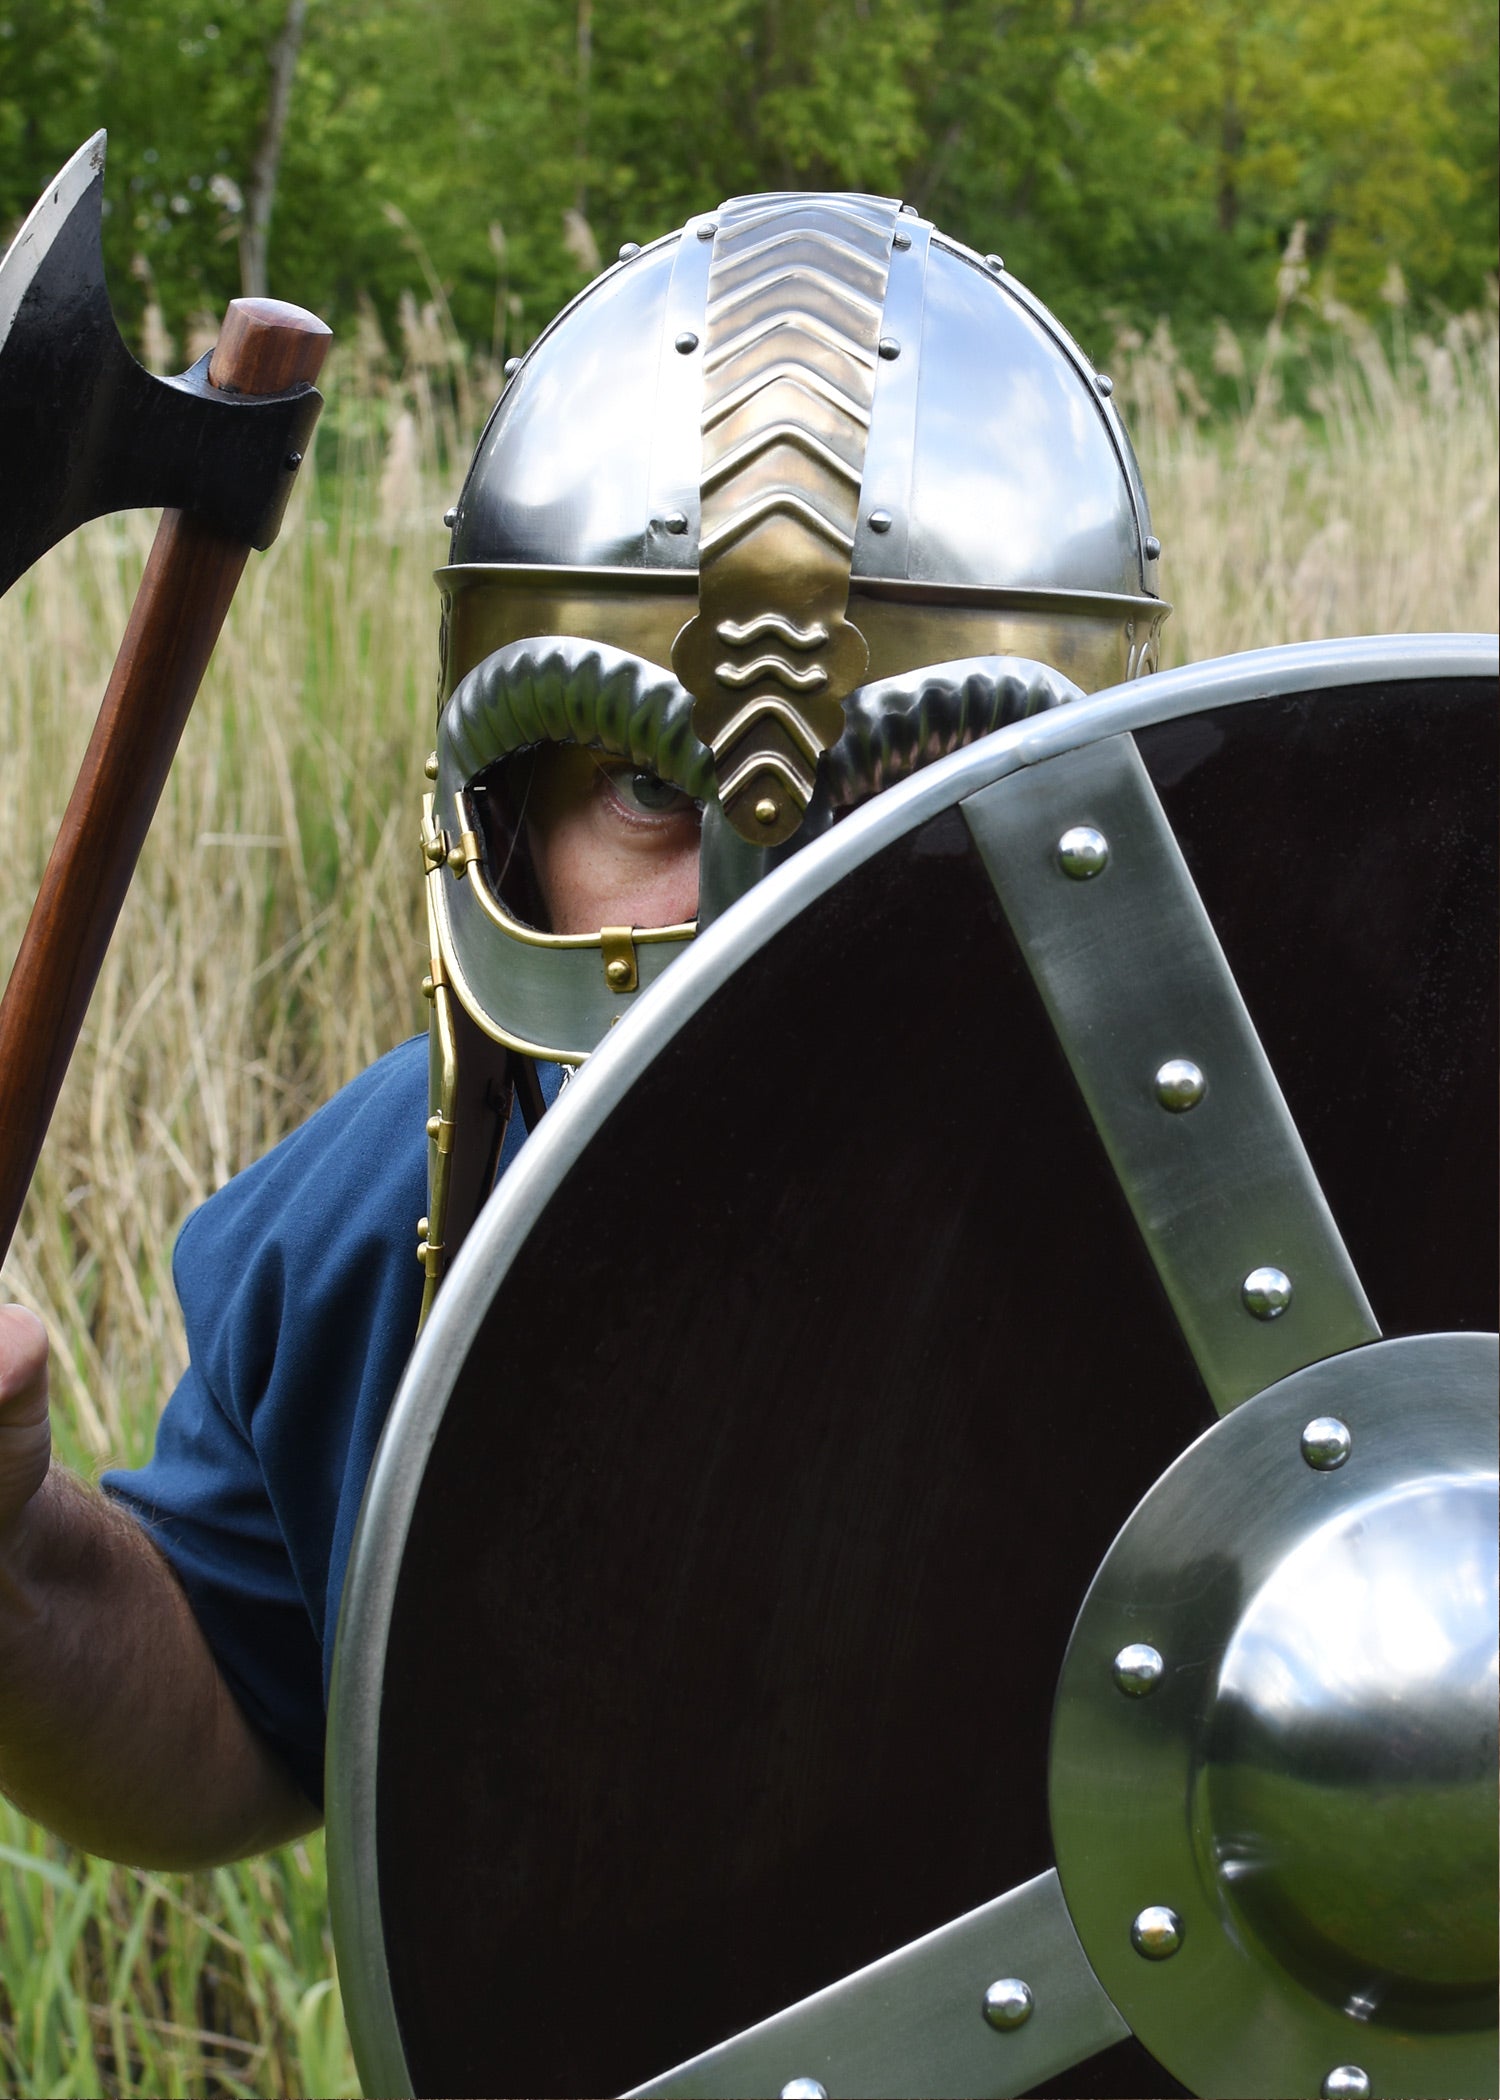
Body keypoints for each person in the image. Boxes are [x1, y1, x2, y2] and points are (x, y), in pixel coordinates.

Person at [0, 189, 1166, 1866]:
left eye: (893, 791)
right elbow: (233, 1712)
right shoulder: (382, 1223)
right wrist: (16, 1567)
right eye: (644, 784)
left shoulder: (1304, 1176)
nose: (754, 911)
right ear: (507, 814)